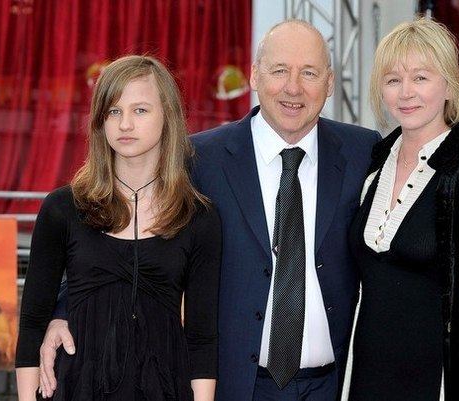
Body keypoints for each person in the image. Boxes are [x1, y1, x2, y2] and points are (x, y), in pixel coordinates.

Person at [35, 21, 380, 401]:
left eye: (309, 73)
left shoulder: (362, 152)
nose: (293, 87)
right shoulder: (201, 158)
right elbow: (118, 236)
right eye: (279, 70)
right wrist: (64, 308)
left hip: (333, 386)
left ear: (330, 83)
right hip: (229, 384)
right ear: (254, 75)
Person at [15, 55, 221, 401]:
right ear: (100, 122)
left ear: (167, 117)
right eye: (113, 111)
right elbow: (33, 323)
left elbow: (202, 337)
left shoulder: (199, 217)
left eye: (140, 110)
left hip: (166, 388)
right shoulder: (62, 209)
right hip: (75, 387)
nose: (125, 123)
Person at [344, 18, 459, 401]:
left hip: (438, 382)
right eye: (393, 79)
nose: (406, 93)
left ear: (449, 84)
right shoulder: (371, 163)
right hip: (363, 377)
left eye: (421, 78)